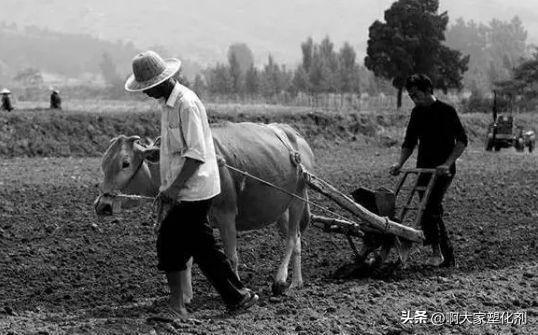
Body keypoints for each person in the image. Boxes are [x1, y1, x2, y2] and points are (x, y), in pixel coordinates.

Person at [125, 50, 258, 319]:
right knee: (203, 248)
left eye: (148, 88)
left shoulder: (186, 104)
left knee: (169, 243)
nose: (146, 93)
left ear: (163, 81)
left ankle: (178, 308)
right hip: (186, 188)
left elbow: (196, 154)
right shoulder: (168, 104)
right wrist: (158, 154)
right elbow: (180, 148)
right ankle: (239, 296)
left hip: (194, 190)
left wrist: (173, 189)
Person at [389, 74, 467, 268]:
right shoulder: (417, 113)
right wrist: (399, 164)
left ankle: (438, 253)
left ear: (427, 91)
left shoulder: (446, 111)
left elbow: (462, 141)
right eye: (411, 96)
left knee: (431, 207)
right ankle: (444, 255)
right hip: (423, 168)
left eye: (416, 95)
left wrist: (447, 164)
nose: (414, 99)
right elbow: (409, 142)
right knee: (426, 209)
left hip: (443, 170)